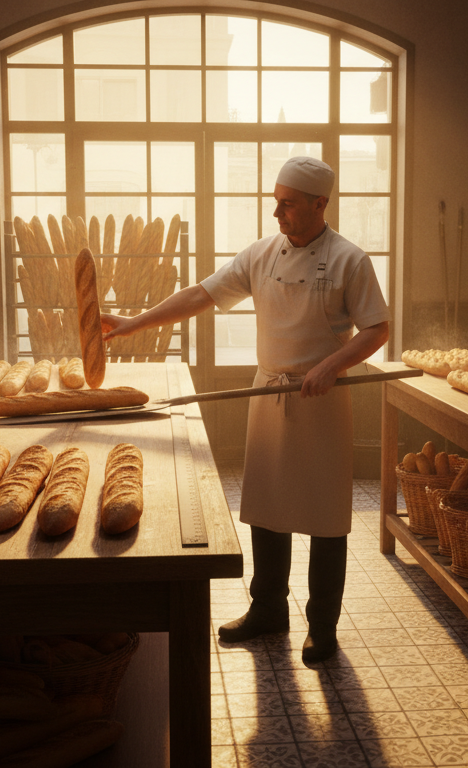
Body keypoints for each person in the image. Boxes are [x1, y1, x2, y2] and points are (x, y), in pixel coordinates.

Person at [101, 157, 390, 663]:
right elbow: (201, 294)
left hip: (322, 400)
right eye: (275, 200)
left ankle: (323, 626)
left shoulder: (350, 259)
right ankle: (268, 610)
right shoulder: (261, 254)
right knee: (266, 508)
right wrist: (133, 323)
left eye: (289, 204)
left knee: (325, 516)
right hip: (268, 394)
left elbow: (376, 329)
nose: (276, 212)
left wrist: (331, 365)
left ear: (321, 204)